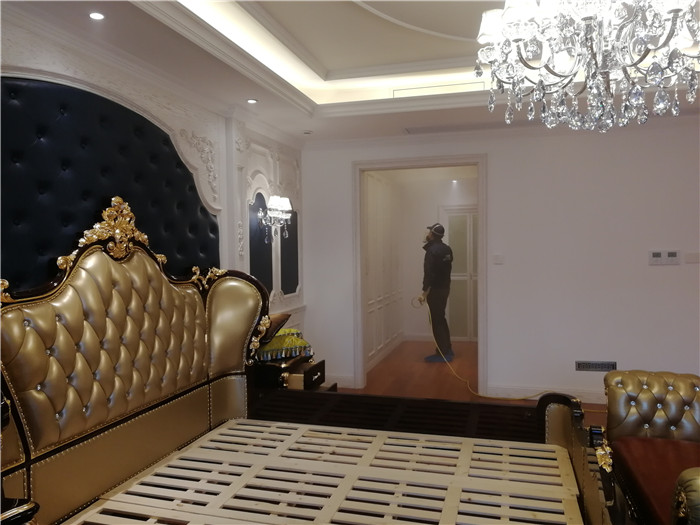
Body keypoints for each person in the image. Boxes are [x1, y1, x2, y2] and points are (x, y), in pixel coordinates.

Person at [418, 223, 454, 362]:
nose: (427, 234)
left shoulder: (432, 251)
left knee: (436, 321)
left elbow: (429, 273)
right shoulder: (447, 249)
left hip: (436, 290)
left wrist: (424, 292)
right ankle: (447, 348)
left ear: (432, 235)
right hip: (445, 288)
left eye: (429, 232)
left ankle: (442, 353)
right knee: (441, 318)